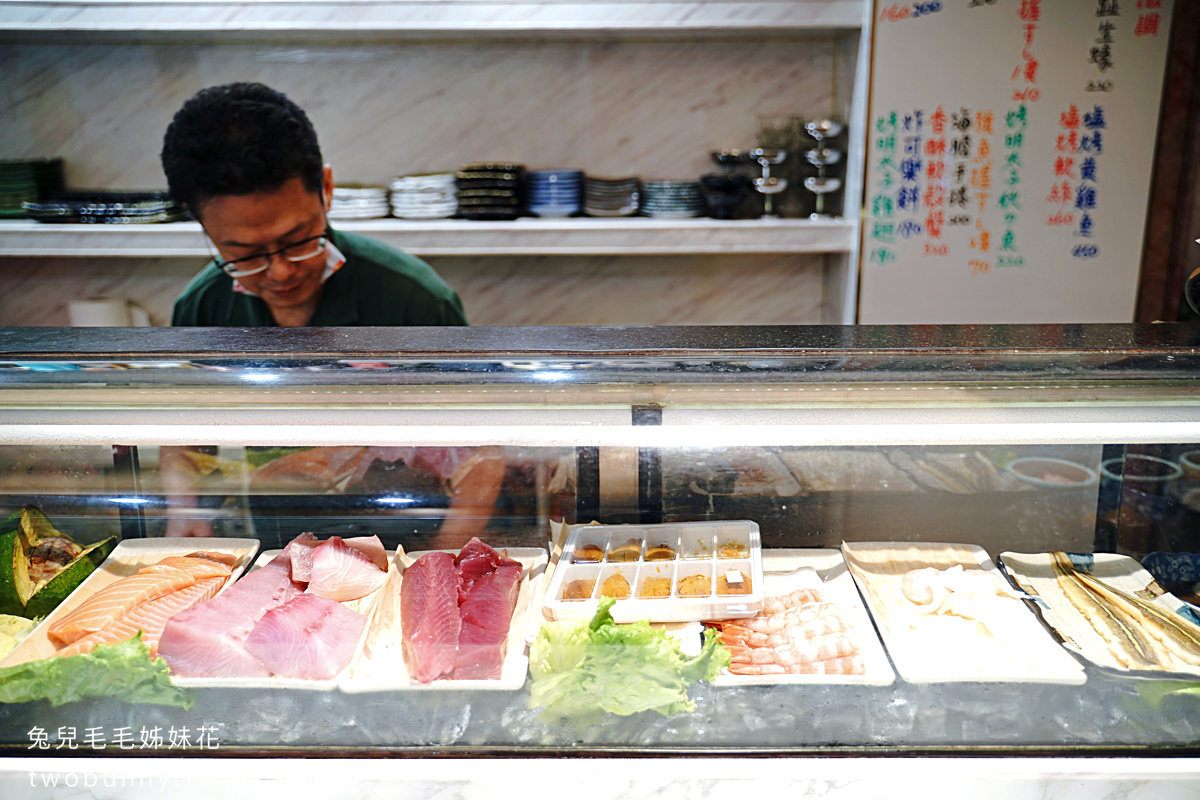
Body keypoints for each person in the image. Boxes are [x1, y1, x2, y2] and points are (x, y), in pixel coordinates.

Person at [162, 82, 466, 327]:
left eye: (296, 241)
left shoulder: (417, 302)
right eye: (246, 254)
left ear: (326, 187)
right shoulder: (200, 309)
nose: (280, 273)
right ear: (199, 221)